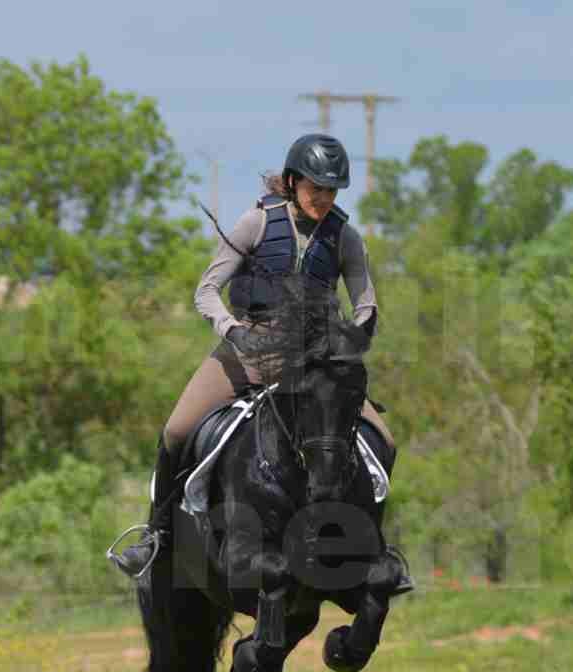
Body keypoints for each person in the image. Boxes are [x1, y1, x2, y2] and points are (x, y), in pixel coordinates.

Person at [109, 133, 394, 578]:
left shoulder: (346, 237)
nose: (323, 198)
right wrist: (234, 331)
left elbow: (366, 301)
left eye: (331, 190)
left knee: (385, 443)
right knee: (177, 429)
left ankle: (374, 545)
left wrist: (356, 335)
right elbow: (206, 291)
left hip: (315, 360)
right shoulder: (256, 223)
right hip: (251, 349)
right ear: (293, 181)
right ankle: (156, 535)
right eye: (315, 188)